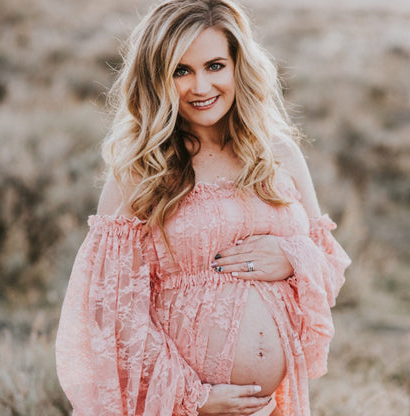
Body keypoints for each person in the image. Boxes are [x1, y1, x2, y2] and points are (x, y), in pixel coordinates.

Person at [55, 1, 351, 415]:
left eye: (214, 66)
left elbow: (329, 267)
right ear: (157, 77)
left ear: (237, 67)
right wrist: (193, 397)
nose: (200, 86)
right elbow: (114, 309)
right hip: (182, 405)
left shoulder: (279, 154)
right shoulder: (140, 170)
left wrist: (293, 256)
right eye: (181, 70)